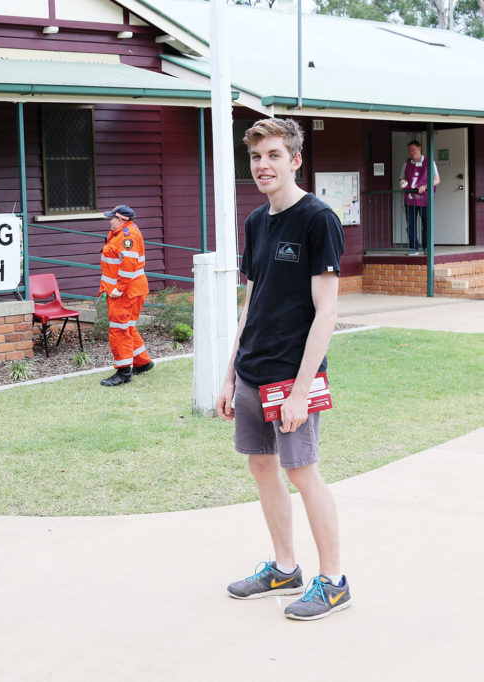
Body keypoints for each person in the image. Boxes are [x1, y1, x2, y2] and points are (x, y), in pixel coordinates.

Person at [217, 118, 351, 620]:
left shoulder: (318, 219)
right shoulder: (256, 222)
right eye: (256, 157)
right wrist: (231, 373)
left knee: (303, 472)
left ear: (296, 160)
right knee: (261, 465)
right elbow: (251, 303)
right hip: (253, 371)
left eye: (274, 155)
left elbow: (327, 312)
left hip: (293, 379)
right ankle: (284, 566)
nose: (262, 166)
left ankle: (334, 582)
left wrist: (300, 391)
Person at [98, 205, 153, 387]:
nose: (109, 220)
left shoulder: (126, 236)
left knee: (119, 330)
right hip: (131, 290)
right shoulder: (122, 232)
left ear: (121, 220)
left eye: (111, 218)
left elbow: (128, 266)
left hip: (124, 292)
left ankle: (123, 372)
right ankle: (142, 362)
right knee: (127, 327)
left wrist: (119, 289)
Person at [398, 139, 440, 255]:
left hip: (425, 199)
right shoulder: (406, 164)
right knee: (411, 224)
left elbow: (437, 180)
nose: (412, 153)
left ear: (420, 148)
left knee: (426, 223)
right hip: (410, 199)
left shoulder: (429, 162)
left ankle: (426, 247)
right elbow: (402, 178)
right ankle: (414, 248)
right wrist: (403, 182)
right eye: (410, 151)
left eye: (414, 150)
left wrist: (425, 186)